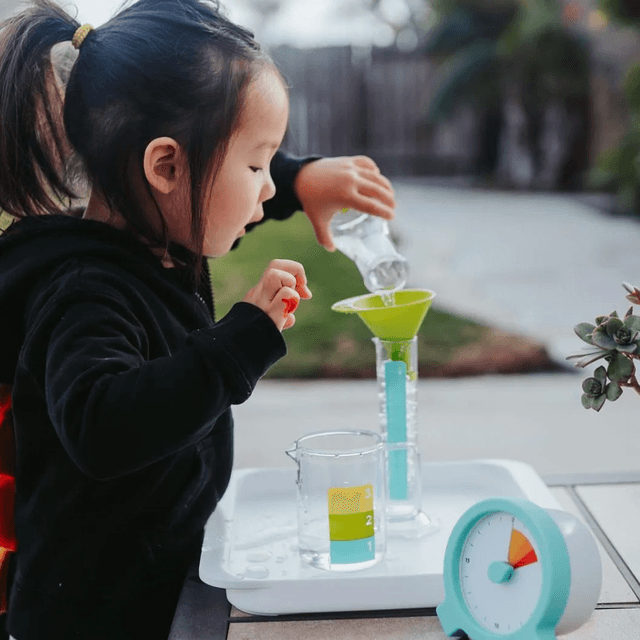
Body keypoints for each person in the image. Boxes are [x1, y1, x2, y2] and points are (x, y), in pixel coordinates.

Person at [0, 0, 396, 638]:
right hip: (93, 616)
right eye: (256, 164)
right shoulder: (84, 291)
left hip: (160, 579)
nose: (265, 186)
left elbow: (219, 189)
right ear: (165, 166)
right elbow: (102, 427)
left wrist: (301, 180)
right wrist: (236, 345)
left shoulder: (161, 240)